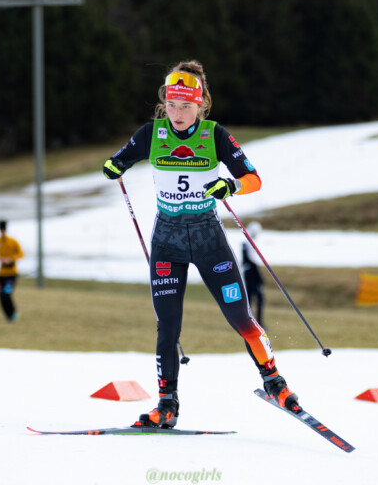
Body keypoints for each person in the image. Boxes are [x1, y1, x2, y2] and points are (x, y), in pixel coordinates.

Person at [102, 59, 302, 428]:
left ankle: (275, 383)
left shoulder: (215, 135)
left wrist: (231, 185)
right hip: (168, 242)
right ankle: (166, 404)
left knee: (240, 317)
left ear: (201, 105)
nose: (178, 114)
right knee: (168, 326)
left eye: (186, 106)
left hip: (209, 239)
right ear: (165, 105)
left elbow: (254, 178)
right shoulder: (151, 134)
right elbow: (119, 161)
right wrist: (114, 166)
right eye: (172, 106)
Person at [0, 220, 24, 322]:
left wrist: (11, 259)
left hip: (12, 274)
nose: (2, 232)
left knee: (6, 293)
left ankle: (13, 313)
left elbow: (21, 254)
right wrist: (0, 258)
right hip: (1, 274)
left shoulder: (13, 242)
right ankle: (8, 316)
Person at [242, 221, 265, 327]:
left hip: (248, 273)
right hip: (252, 273)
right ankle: (257, 323)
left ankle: (248, 322)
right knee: (258, 298)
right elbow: (253, 261)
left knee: (250, 298)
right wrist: (260, 277)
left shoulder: (245, 244)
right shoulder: (249, 244)